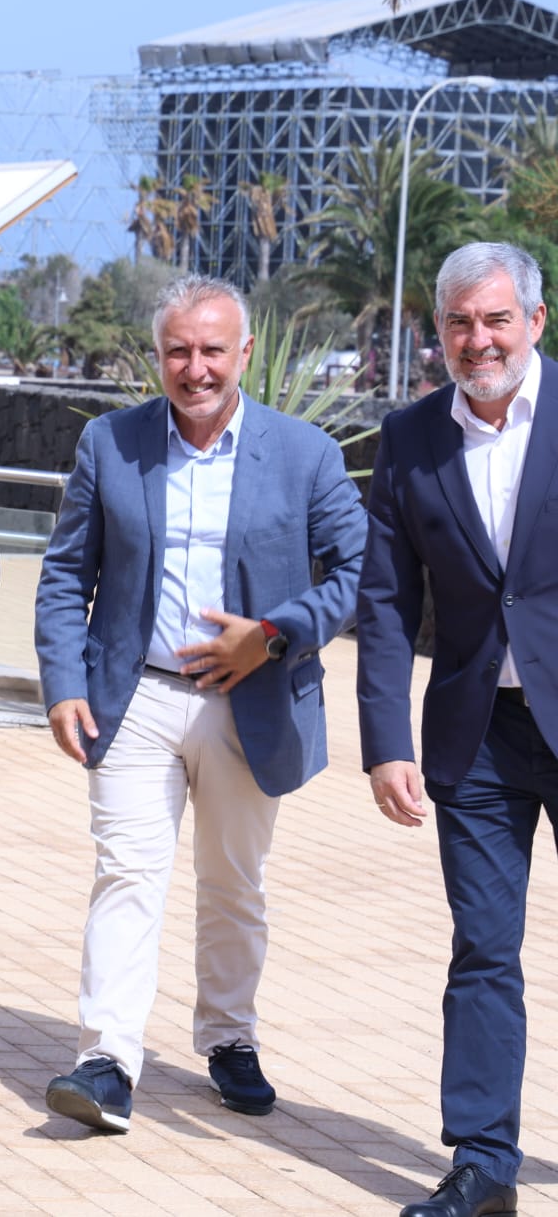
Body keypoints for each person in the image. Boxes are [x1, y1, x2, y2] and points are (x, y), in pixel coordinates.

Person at [33, 274, 365, 1135]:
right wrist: (63, 682)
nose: (196, 367)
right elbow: (66, 573)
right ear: (158, 355)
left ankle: (229, 1038)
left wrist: (275, 634)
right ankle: (106, 1060)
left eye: (213, 349)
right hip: (135, 697)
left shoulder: (305, 453)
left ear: (244, 352)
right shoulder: (112, 443)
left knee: (233, 883)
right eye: (178, 350)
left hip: (249, 702)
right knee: (127, 874)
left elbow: (356, 573)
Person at [358, 241, 556, 1217]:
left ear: (535, 320)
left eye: (495, 319)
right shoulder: (408, 438)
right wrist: (385, 741)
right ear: (437, 331)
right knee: (482, 948)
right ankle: (483, 1167)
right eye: (459, 323)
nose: (478, 341)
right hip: (475, 736)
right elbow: (385, 601)